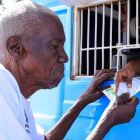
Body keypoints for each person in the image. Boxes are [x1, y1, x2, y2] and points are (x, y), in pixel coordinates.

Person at [0, 1, 138, 140]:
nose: (65, 57)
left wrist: (81, 102)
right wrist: (109, 120)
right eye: (54, 46)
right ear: (16, 48)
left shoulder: (13, 94)